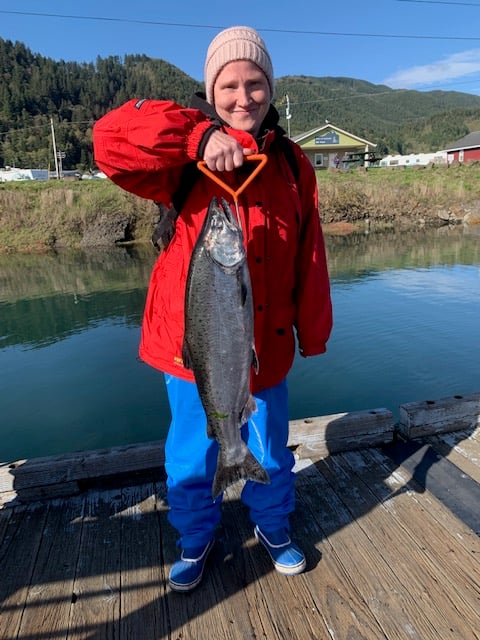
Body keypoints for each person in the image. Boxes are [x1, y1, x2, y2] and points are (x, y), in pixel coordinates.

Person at [93, 26, 332, 592]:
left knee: (271, 448)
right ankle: (196, 537)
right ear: (211, 90)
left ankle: (273, 526)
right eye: (229, 85)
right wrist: (194, 137)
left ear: (271, 90)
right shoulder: (179, 160)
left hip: (266, 344)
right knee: (194, 452)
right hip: (192, 346)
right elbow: (108, 139)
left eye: (256, 84)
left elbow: (310, 255)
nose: (243, 97)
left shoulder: (294, 165)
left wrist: (313, 333)